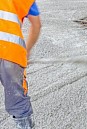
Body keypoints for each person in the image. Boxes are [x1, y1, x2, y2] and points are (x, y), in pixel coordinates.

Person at [0, 0, 41, 129]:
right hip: (11, 52)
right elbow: (36, 24)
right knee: (17, 100)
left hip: (10, 52)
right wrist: (27, 51)